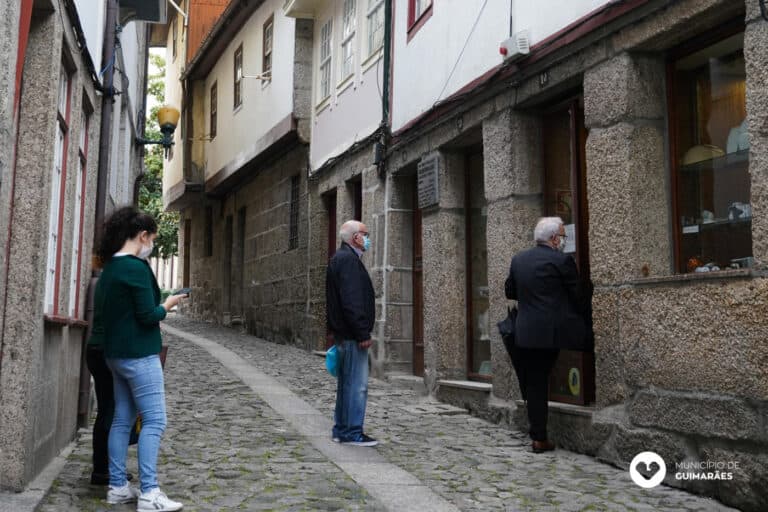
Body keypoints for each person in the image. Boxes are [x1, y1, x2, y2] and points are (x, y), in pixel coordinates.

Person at [94, 206, 186, 511]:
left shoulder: (110, 267)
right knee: (155, 420)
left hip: (115, 355)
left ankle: (118, 486)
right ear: (143, 235)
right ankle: (149, 492)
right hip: (139, 354)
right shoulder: (135, 268)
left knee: (122, 419)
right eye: (153, 239)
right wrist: (168, 305)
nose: (152, 245)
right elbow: (148, 315)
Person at [504, 217, 587, 453]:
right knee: (539, 379)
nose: (564, 240)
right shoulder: (562, 260)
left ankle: (538, 435)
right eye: (562, 235)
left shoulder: (519, 260)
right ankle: (539, 438)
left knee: (535, 382)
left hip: (525, 331)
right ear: (553, 239)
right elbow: (578, 295)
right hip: (551, 333)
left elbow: (510, 291)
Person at [325, 220, 378, 447]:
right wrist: (362, 333)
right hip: (351, 335)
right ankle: (352, 432)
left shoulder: (341, 258)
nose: (367, 238)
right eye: (365, 234)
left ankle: (341, 430)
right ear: (356, 237)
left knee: (346, 385)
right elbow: (352, 300)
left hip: (345, 334)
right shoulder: (348, 260)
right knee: (356, 386)